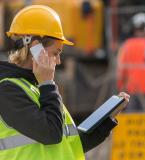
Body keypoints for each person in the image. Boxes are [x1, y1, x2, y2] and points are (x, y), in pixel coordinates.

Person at [0, 5, 129, 160]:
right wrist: (47, 84)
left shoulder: (36, 87)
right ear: (36, 48)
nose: (59, 60)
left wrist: (106, 122)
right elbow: (51, 134)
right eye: (56, 53)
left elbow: (69, 144)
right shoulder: (7, 89)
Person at [117, 13, 145, 111]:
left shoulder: (126, 46)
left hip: (131, 89)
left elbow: (121, 70)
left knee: (132, 118)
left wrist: (121, 87)